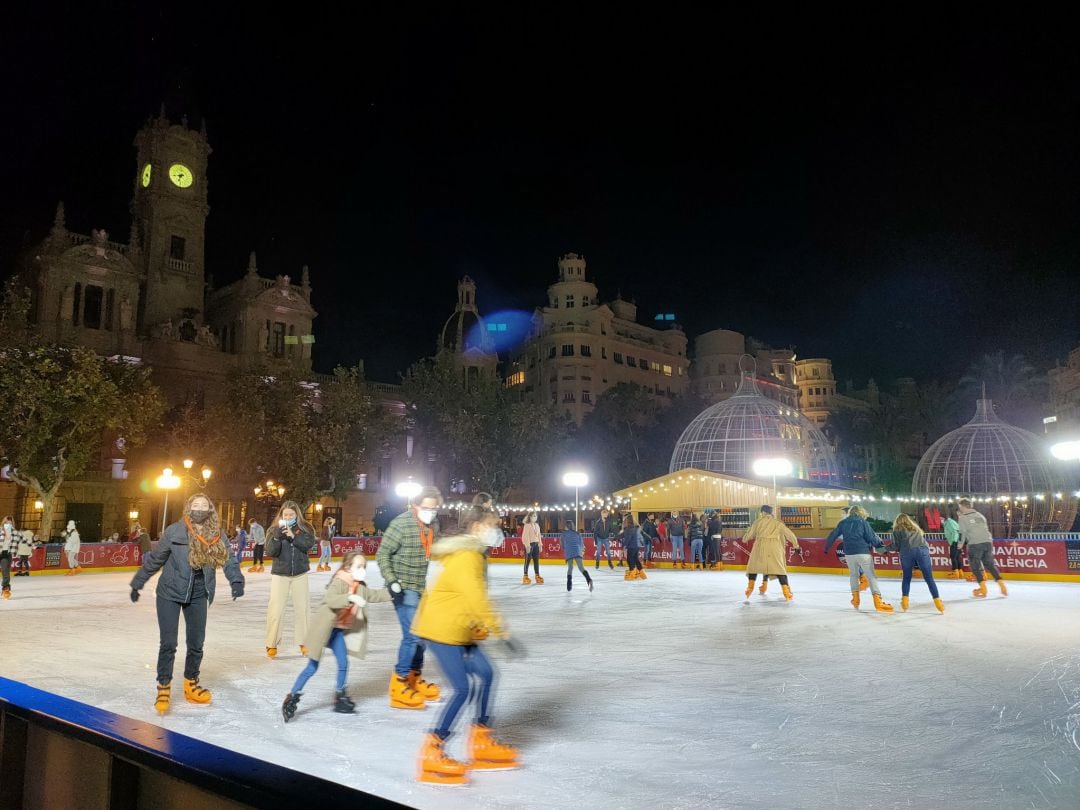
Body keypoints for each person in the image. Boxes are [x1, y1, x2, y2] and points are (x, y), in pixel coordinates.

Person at [412, 501, 521, 785]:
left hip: (460, 629)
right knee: (462, 688)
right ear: (476, 527)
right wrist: (502, 631)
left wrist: (478, 626)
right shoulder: (467, 555)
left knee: (486, 673)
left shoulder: (474, 553)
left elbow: (466, 600)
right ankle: (432, 750)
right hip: (441, 630)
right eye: (492, 525)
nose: (497, 530)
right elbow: (476, 598)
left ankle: (480, 740)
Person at [130, 493, 245, 715]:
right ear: (188, 508)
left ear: (210, 509)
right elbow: (156, 559)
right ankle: (163, 686)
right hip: (170, 592)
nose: (200, 508)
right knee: (168, 643)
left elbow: (229, 558)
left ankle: (190, 684)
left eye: (204, 505)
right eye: (196, 505)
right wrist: (138, 582)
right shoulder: (174, 531)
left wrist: (236, 580)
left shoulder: (217, 533)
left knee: (196, 643)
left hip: (200, 593)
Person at [282, 551, 391, 722]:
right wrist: (350, 597)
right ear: (348, 567)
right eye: (358, 566)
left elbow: (374, 595)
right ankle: (292, 696)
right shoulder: (340, 581)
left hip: (337, 631)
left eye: (364, 566)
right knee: (312, 667)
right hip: (324, 629)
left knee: (343, 663)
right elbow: (331, 599)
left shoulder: (359, 586)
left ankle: (339, 696)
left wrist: (393, 592)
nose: (362, 569)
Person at [375, 486, 443, 710]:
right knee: (412, 636)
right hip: (403, 588)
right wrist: (392, 580)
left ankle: (414, 678)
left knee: (423, 637)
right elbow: (382, 553)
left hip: (420, 587)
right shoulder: (401, 524)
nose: (430, 512)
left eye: (434, 509)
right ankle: (399, 685)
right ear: (416, 505)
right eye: (426, 508)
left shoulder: (430, 526)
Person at [263, 500, 316, 659]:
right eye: (285, 514)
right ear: (281, 515)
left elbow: (309, 545)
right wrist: (278, 538)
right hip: (280, 574)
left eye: (291, 514)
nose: (288, 516)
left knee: (303, 609)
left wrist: (293, 536)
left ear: (296, 515)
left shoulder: (305, 528)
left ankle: (304, 642)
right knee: (276, 609)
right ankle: (271, 643)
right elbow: (271, 551)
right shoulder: (273, 530)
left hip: (300, 573)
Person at [825, 506, 893, 612]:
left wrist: (826, 548)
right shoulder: (863, 522)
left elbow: (833, 535)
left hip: (849, 554)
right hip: (863, 552)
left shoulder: (843, 523)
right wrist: (881, 549)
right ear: (861, 512)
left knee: (853, 575)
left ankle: (855, 599)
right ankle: (878, 602)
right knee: (871, 576)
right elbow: (872, 537)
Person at [885, 513, 944, 613]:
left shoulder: (897, 530)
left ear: (897, 521)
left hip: (907, 552)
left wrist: (884, 548)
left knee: (907, 578)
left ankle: (905, 602)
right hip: (922, 550)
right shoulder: (915, 528)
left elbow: (896, 546)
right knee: (929, 578)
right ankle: (938, 603)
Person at [742, 505, 801, 600]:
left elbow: (749, 535)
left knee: (753, 567)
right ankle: (786, 592)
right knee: (779, 569)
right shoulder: (778, 523)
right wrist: (796, 546)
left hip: (760, 547)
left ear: (763, 512)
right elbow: (790, 534)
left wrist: (745, 538)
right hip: (775, 548)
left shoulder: (757, 522)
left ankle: (750, 588)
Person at [956, 498, 1007, 598]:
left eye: (960, 506)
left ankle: (983, 589)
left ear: (962, 506)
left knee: (975, 567)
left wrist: (960, 544)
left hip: (975, 544)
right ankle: (1002, 586)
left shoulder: (963, 518)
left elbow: (962, 533)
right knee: (990, 565)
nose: (959, 508)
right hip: (987, 542)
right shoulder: (980, 515)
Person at [560, 517, 594, 592]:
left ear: (566, 526)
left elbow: (562, 545)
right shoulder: (577, 533)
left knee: (570, 568)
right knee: (581, 568)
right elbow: (581, 544)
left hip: (569, 551)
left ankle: (569, 585)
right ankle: (589, 580)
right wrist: (580, 550)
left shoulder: (563, 534)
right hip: (577, 551)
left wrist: (565, 549)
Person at [619, 514, 646, 581]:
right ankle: (642, 574)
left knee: (630, 560)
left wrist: (624, 546)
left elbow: (628, 538)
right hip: (637, 546)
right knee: (636, 560)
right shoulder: (636, 527)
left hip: (631, 546)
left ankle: (632, 574)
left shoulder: (629, 528)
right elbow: (640, 536)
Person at [521, 511, 543, 584]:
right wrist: (527, 545)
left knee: (536, 561)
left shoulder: (537, 525)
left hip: (536, 544)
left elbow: (539, 535)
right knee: (527, 560)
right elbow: (525, 536)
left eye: (535, 516)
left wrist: (540, 544)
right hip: (530, 545)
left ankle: (537, 575)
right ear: (529, 517)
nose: (534, 517)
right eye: (533, 516)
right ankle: (525, 575)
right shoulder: (527, 525)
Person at [942, 507, 964, 579]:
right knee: (957, 557)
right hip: (957, 540)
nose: (940, 520)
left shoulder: (949, 522)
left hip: (955, 541)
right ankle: (960, 572)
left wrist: (954, 541)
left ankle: (955, 572)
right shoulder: (948, 522)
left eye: (940, 519)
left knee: (953, 556)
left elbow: (955, 531)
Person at [0, 516, 15, 598]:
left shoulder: (14, 533)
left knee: (5, 572)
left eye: (10, 522)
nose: (8, 524)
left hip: (6, 554)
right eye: (6, 522)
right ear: (4, 522)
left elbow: (24, 540)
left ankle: (5, 589)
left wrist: (32, 545)